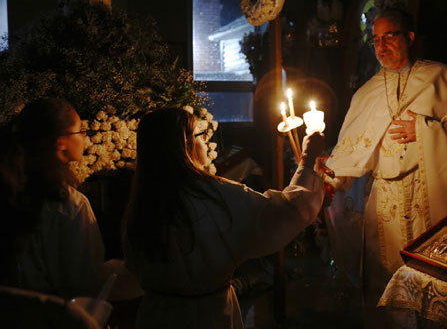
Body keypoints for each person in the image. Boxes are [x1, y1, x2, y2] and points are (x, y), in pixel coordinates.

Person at [325, 8, 447, 327]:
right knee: (385, 285)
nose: (382, 45)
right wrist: (330, 173)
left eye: (390, 36)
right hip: (384, 204)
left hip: (431, 201)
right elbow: (351, 150)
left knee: (434, 286)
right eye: (375, 39)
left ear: (409, 38)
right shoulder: (366, 93)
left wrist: (428, 131)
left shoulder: (444, 79)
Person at [122, 107, 325, 328]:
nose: (205, 141)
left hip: (157, 315)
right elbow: (285, 212)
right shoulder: (217, 197)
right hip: (210, 315)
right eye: (200, 134)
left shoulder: (142, 202)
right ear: (185, 146)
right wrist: (307, 159)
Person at [0, 98, 106, 299]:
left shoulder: (10, 191)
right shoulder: (70, 204)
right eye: (80, 130)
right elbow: (83, 279)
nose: (85, 136)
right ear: (61, 142)